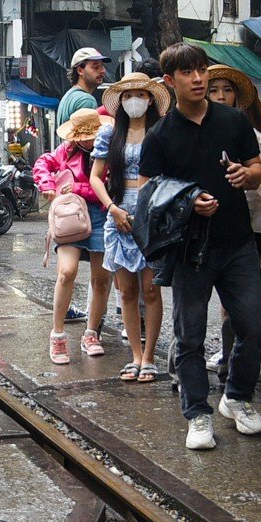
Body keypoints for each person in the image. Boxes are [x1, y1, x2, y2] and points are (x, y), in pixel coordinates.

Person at [140, 42, 261, 450]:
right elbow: (148, 194)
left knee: (254, 324)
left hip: (237, 242)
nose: (198, 79)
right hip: (190, 250)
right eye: (188, 73)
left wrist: (244, 176)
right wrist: (188, 201)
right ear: (169, 81)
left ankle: (237, 397)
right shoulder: (159, 136)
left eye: (202, 71)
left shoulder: (232, 120)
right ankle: (197, 412)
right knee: (190, 335)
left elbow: (256, 168)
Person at [90, 72, 169, 382]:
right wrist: (112, 207)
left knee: (151, 290)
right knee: (126, 292)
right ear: (120, 101)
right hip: (118, 215)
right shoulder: (110, 135)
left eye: (141, 93)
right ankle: (135, 356)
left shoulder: (161, 132)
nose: (134, 99)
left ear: (150, 98)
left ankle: (150, 358)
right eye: (128, 94)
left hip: (153, 216)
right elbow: (96, 176)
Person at [205, 65, 261, 381]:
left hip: (246, 224)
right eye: (214, 90)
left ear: (238, 96)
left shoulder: (248, 133)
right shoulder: (211, 128)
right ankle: (234, 351)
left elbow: (259, 186)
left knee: (247, 296)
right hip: (221, 222)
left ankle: (259, 354)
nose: (221, 96)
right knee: (230, 296)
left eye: (227, 90)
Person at [34, 109, 115, 365]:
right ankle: (57, 333)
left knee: (101, 279)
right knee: (66, 272)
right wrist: (47, 185)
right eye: (82, 136)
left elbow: (110, 187)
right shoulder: (67, 150)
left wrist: (79, 187)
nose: (87, 141)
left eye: (90, 135)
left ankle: (91, 333)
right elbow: (42, 163)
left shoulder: (110, 150)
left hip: (102, 215)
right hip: (71, 215)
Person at [58, 47, 110, 124]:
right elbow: (87, 135)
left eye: (102, 66)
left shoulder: (70, 95)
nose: (103, 70)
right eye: (96, 67)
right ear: (80, 70)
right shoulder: (86, 100)